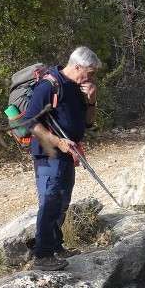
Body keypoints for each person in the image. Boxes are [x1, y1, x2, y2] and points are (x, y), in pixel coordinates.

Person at [22, 46, 102, 271]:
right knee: (50, 202)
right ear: (78, 66)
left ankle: (56, 246)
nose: (92, 77)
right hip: (49, 154)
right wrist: (58, 142)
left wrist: (92, 99)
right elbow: (29, 121)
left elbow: (88, 123)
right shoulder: (49, 84)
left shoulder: (77, 87)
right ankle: (42, 255)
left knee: (62, 202)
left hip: (69, 153)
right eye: (91, 72)